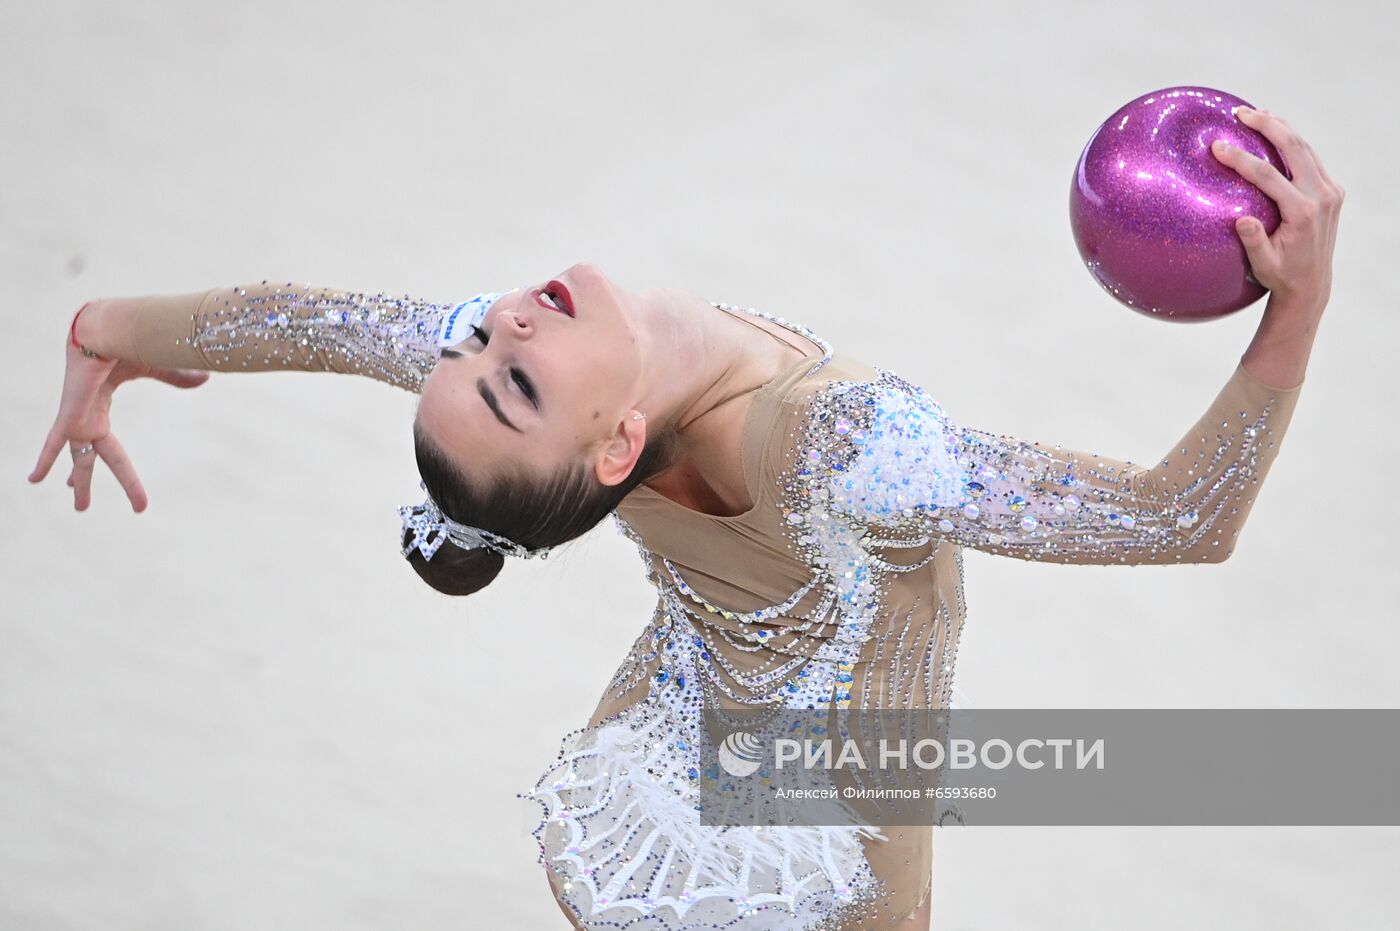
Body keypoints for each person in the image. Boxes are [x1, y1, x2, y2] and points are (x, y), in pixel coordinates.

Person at [29, 106, 1342, 929]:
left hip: (659, 747)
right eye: (516, 377)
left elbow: (306, 321)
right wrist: (1298, 302)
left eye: (480, 340)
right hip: (819, 832)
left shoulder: (534, 383)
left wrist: (105, 332)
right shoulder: (848, 446)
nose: (506, 326)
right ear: (608, 447)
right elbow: (1181, 518)